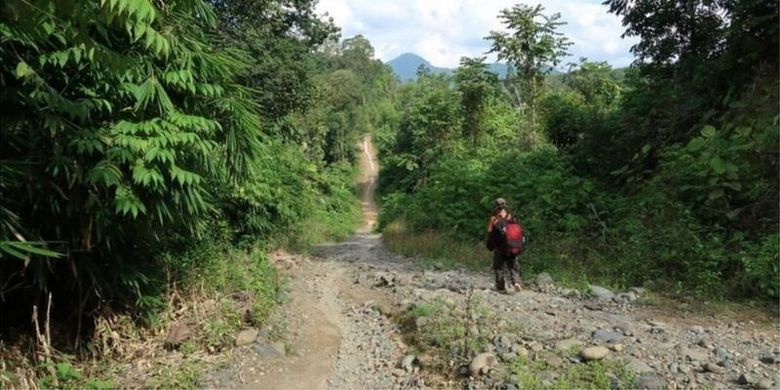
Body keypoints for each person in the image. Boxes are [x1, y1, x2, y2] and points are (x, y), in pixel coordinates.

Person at [486, 198, 522, 292]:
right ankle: (516, 282)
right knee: (513, 266)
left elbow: (491, 234)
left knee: (498, 267)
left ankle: (500, 286)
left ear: (496, 207)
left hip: (500, 248)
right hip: (512, 246)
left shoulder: (494, 219)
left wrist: (490, 246)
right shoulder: (512, 217)